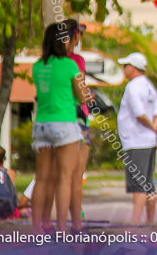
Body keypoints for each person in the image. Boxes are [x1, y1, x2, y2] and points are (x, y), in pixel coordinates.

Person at [32, 19, 91, 234]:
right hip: (65, 123)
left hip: (41, 124)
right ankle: (63, 228)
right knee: (65, 178)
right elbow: (83, 97)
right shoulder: (70, 65)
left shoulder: (38, 66)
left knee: (42, 178)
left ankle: (38, 227)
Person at [116, 52, 157, 225]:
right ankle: (149, 221)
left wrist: (154, 129)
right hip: (148, 141)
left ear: (133, 68)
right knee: (148, 183)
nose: (124, 69)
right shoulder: (148, 86)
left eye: (126, 66)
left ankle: (135, 223)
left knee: (139, 185)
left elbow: (140, 116)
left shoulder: (133, 87)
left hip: (136, 142)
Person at [66, 22, 90, 228]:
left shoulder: (47, 62)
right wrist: (89, 96)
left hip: (53, 118)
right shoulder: (77, 61)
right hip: (77, 117)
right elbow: (81, 93)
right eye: (79, 35)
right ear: (73, 37)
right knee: (76, 174)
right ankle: (77, 220)